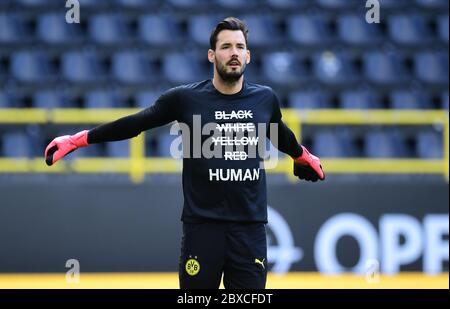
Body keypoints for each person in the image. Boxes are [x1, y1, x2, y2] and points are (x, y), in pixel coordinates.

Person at [44, 17, 325, 289]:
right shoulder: (185, 99)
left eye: (239, 47)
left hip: (249, 230)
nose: (234, 53)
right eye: (226, 47)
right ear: (211, 55)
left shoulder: (265, 99)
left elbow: (279, 133)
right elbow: (136, 123)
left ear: (248, 56)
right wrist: (78, 140)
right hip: (202, 229)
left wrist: (300, 155)